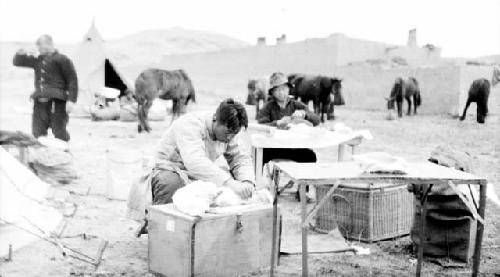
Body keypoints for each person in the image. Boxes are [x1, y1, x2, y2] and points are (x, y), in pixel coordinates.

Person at [151, 98, 255, 205]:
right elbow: (195, 161)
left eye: (234, 134)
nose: (230, 137)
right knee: (171, 183)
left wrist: (247, 182)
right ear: (216, 119)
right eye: (228, 133)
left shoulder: (230, 131)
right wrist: (229, 183)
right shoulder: (190, 124)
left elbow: (240, 158)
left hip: (195, 175)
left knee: (226, 193)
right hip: (168, 170)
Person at [257, 72, 320, 200]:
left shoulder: (296, 105)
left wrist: (304, 115)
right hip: (273, 149)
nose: (281, 92)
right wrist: (276, 123)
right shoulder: (268, 107)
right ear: (272, 92)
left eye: (284, 89)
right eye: (277, 90)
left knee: (310, 156)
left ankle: (302, 191)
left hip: (293, 148)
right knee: (258, 156)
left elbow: (317, 120)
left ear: (288, 89)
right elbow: (260, 125)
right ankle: (256, 188)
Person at [13, 34, 78, 142]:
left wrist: (71, 101)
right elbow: (18, 62)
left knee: (59, 131)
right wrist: (20, 53)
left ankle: (64, 152)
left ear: (50, 44)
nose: (40, 49)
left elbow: (72, 80)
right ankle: (42, 154)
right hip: (39, 102)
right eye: (39, 47)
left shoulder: (62, 59)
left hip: (57, 102)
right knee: (37, 132)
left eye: (42, 47)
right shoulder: (37, 59)